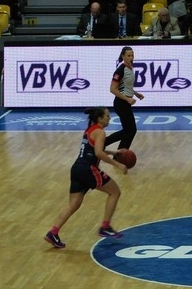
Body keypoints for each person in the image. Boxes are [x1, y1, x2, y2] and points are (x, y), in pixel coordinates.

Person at [42, 106, 129, 249]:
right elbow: (99, 153)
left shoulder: (90, 130)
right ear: (100, 119)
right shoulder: (100, 132)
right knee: (115, 192)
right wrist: (118, 164)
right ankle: (105, 227)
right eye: (107, 116)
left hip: (77, 169)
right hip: (88, 169)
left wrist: (114, 151)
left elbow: (95, 149)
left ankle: (53, 232)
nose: (110, 118)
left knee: (73, 204)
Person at [106, 46, 144, 150]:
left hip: (125, 102)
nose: (131, 57)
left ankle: (109, 146)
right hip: (121, 103)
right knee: (130, 130)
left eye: (132, 55)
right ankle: (115, 151)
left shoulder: (130, 68)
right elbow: (113, 89)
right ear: (123, 56)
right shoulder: (120, 70)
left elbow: (126, 86)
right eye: (128, 55)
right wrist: (127, 99)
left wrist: (135, 93)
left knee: (128, 130)